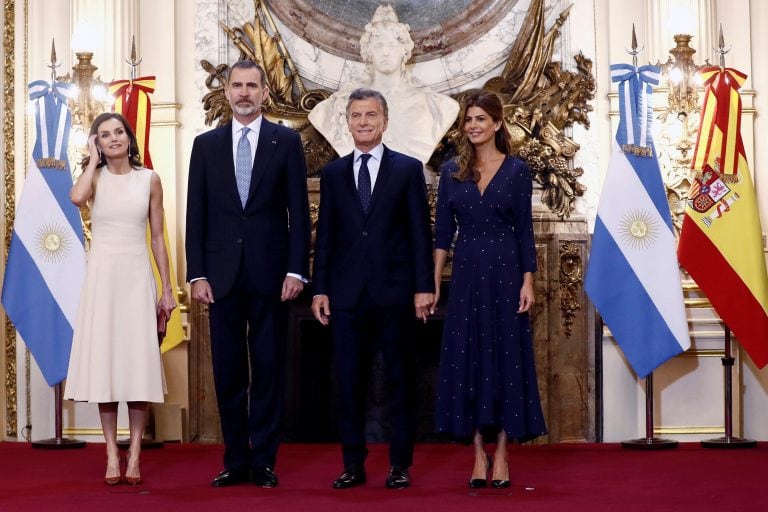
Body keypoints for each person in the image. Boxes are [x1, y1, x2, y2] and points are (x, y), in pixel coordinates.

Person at [185, 60, 310, 488]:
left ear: (263, 93)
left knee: (270, 370)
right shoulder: (204, 145)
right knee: (228, 371)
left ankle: (265, 462)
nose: (243, 93)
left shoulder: (286, 142)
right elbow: (195, 215)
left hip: (273, 277)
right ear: (227, 91)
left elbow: (299, 212)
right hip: (219, 279)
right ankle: (236, 459)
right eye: (236, 85)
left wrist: (297, 270)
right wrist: (197, 273)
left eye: (251, 86)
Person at [311, 88, 434, 489]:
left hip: (396, 294)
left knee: (400, 379)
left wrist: (423, 287)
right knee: (348, 383)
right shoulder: (332, 174)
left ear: (385, 121)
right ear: (347, 122)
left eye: (371, 115)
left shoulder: (407, 169)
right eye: (356, 116)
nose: (363, 122)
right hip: (346, 297)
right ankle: (353, 464)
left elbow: (420, 233)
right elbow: (325, 236)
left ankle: (400, 464)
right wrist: (320, 289)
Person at [431, 90, 547, 489]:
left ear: (497, 123)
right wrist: (433, 281)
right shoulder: (451, 171)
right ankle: (478, 453)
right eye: (468, 120)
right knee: (469, 358)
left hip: (506, 271)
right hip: (465, 274)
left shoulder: (517, 170)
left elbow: (526, 232)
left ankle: (502, 454)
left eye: (481, 119)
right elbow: (443, 234)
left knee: (505, 359)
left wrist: (528, 280)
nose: (474, 126)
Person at [65, 112, 176, 486]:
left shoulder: (150, 180)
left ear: (129, 137)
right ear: (96, 142)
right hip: (102, 280)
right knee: (107, 366)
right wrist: (92, 160)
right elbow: (76, 197)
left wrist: (166, 288)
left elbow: (158, 238)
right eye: (104, 135)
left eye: (118, 132)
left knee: (137, 367)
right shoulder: (93, 179)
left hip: (136, 278)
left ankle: (136, 455)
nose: (113, 138)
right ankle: (112, 452)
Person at [308, 5, 459, 164]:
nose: (386, 52)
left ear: (404, 51)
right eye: (379, 45)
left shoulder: (438, 106)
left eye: (392, 45)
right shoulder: (336, 106)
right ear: (368, 52)